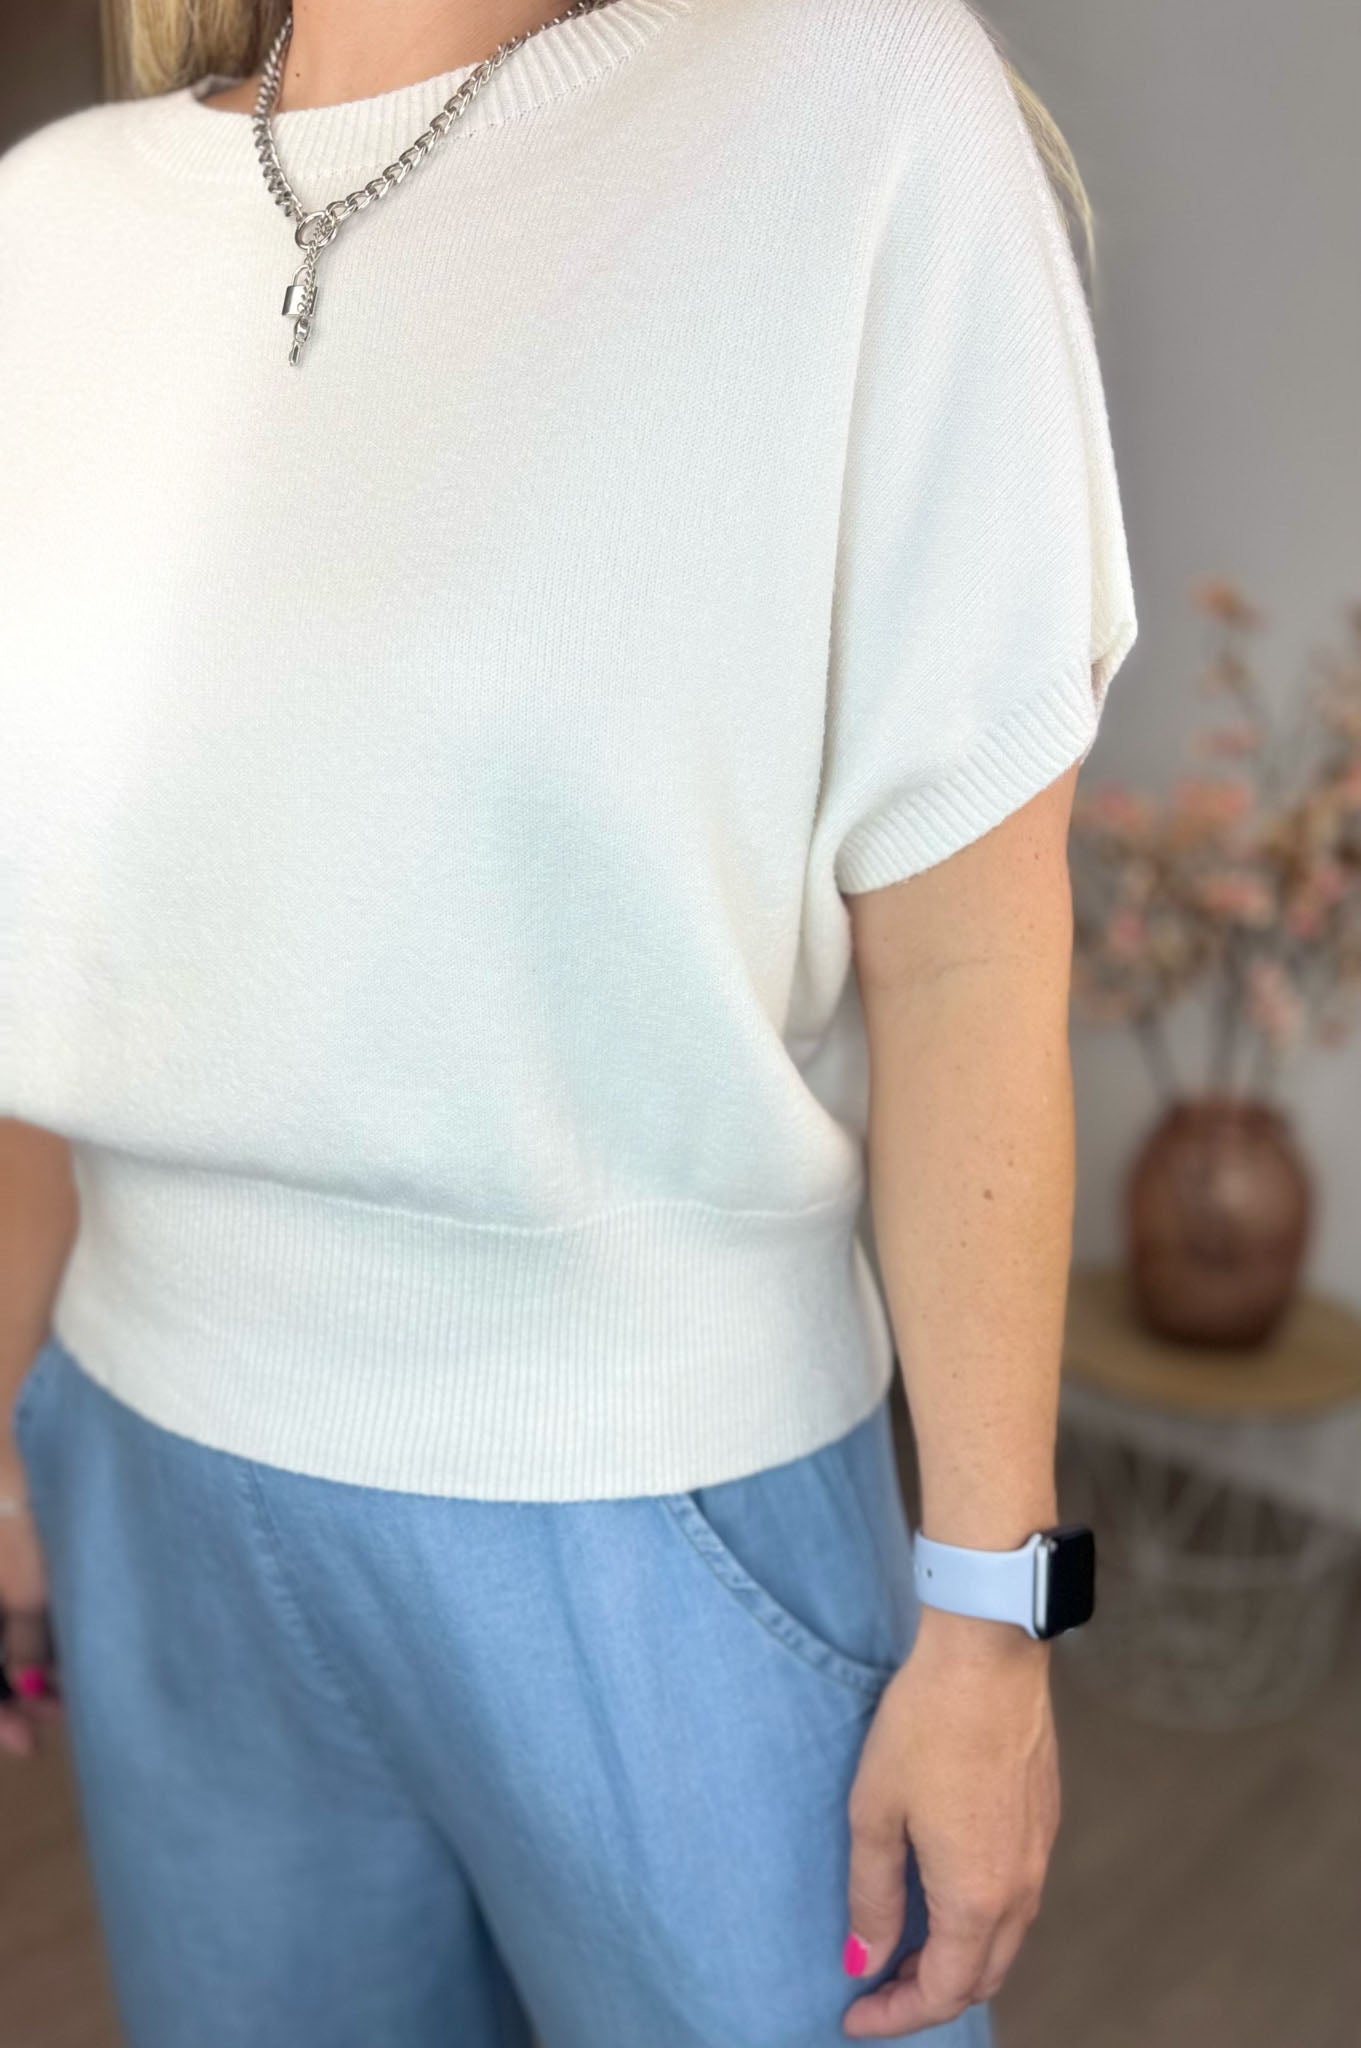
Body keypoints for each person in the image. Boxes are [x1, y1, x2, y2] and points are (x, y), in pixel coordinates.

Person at [0, 0, 1137, 2039]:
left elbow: (967, 955)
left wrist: (992, 1616)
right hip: (147, 1469)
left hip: (650, 1514)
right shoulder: (54, 230)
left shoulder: (856, 108)